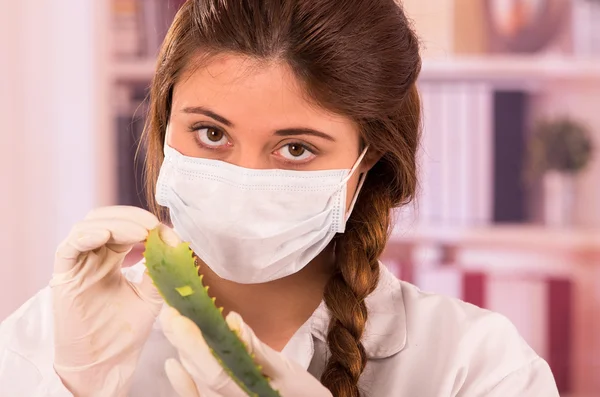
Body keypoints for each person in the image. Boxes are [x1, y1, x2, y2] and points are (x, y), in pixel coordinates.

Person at [0, 0, 560, 396]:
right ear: (165, 125)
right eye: (211, 134)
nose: (243, 175)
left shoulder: (477, 366)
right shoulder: (53, 337)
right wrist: (75, 387)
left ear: (369, 163)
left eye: (295, 149)